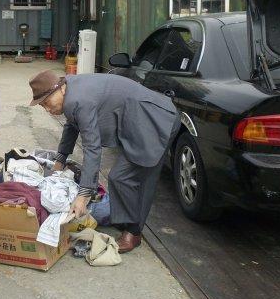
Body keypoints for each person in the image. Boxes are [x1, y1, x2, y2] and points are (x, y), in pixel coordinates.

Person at [28, 70, 180, 253]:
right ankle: (128, 220)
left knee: (126, 177)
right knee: (130, 176)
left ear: (59, 89)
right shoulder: (70, 91)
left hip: (155, 120)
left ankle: (133, 232)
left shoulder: (78, 99)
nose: (47, 109)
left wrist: (83, 195)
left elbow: (92, 147)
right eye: (42, 106)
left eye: (46, 102)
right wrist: (60, 160)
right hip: (138, 121)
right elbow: (71, 125)